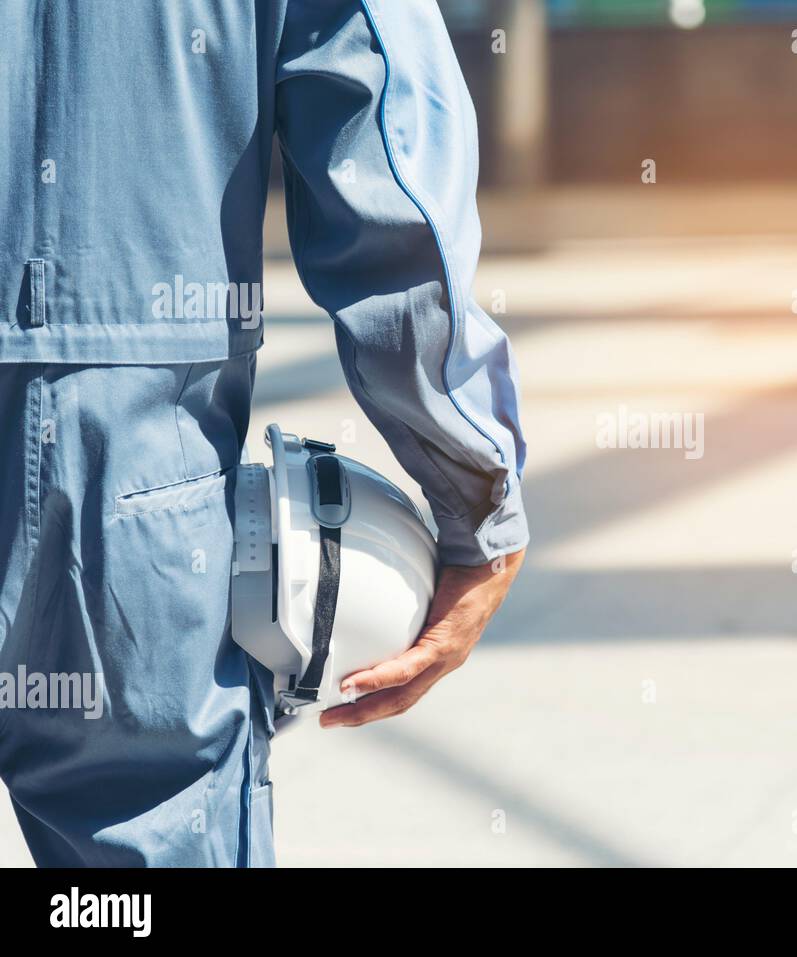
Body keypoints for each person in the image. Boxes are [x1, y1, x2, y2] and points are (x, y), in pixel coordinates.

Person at [0, 0, 527, 866]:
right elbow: (383, 148)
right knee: (149, 823)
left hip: (132, 437)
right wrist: (478, 492)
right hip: (130, 467)